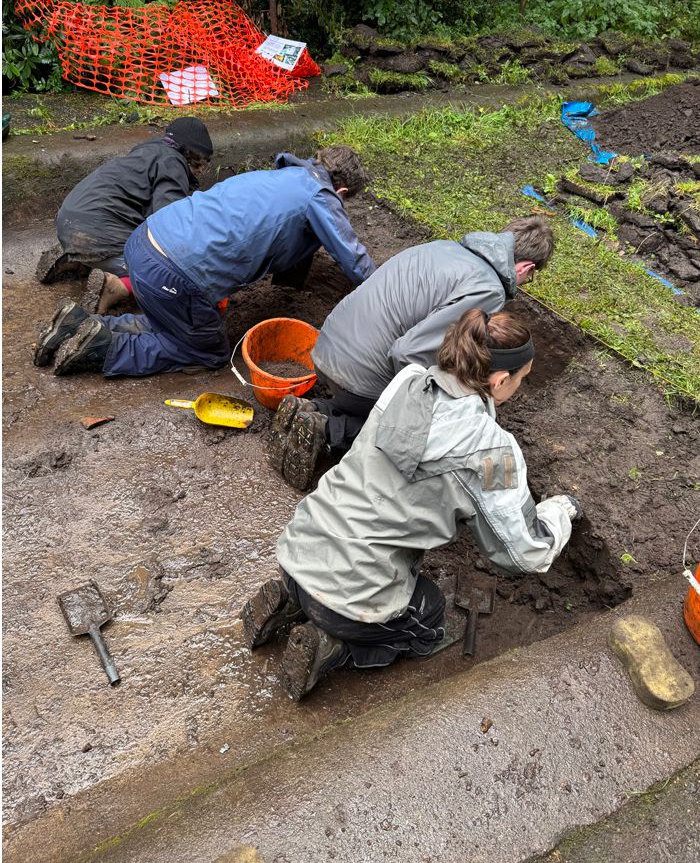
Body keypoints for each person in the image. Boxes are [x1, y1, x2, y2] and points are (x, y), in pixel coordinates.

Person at [242, 308, 581, 701]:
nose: (519, 385)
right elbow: (523, 554)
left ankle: (290, 600)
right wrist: (560, 512)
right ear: (501, 379)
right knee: (429, 615)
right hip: (350, 601)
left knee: (346, 561)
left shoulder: (408, 382)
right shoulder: (493, 452)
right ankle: (332, 647)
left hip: (298, 549)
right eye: (522, 378)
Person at [32, 145, 376, 377]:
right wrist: (387, 286)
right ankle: (106, 349)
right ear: (342, 192)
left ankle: (80, 324)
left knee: (172, 325)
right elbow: (355, 259)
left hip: (141, 244)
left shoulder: (280, 177)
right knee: (207, 352)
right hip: (174, 274)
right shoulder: (321, 196)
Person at [268, 214, 554, 491]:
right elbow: (408, 353)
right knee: (427, 433)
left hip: (326, 348)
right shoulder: (489, 290)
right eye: (531, 278)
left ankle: (315, 410)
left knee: (386, 398)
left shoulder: (443, 247)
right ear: (526, 268)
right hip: (359, 379)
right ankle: (330, 430)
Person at [36, 117, 214, 314]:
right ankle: (115, 287)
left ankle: (76, 257)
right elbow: (168, 221)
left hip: (69, 221)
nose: (199, 172)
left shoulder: (146, 152)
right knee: (171, 275)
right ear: (188, 154)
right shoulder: (173, 163)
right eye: (199, 164)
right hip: (99, 234)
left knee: (126, 231)